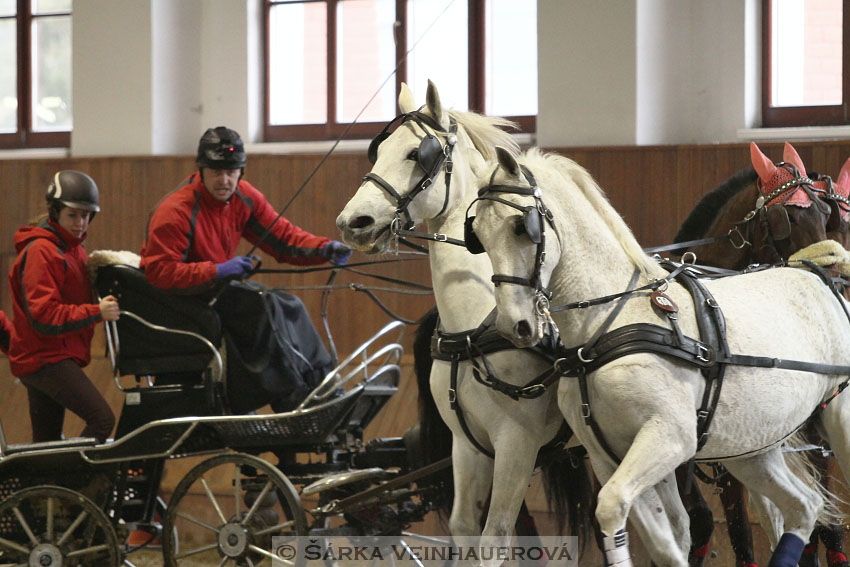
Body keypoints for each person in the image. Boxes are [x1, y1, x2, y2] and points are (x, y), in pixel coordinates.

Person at [140, 126, 352, 413]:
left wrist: (324, 249)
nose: (224, 180)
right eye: (216, 172)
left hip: (217, 289)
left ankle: (323, 385)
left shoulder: (244, 198)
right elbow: (160, 274)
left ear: (242, 172)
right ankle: (290, 397)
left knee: (290, 304)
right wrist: (216, 271)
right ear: (200, 170)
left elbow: (284, 239)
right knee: (261, 305)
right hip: (182, 301)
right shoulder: (175, 211)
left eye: (232, 172)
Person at [7, 170, 119, 444]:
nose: (80, 223)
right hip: (46, 358)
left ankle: (46, 486)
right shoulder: (42, 252)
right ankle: (75, 486)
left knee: (47, 442)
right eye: (73, 215)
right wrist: (96, 312)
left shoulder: (72, 249)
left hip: (49, 356)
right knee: (102, 419)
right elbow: (44, 316)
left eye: (86, 216)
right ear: (55, 212)